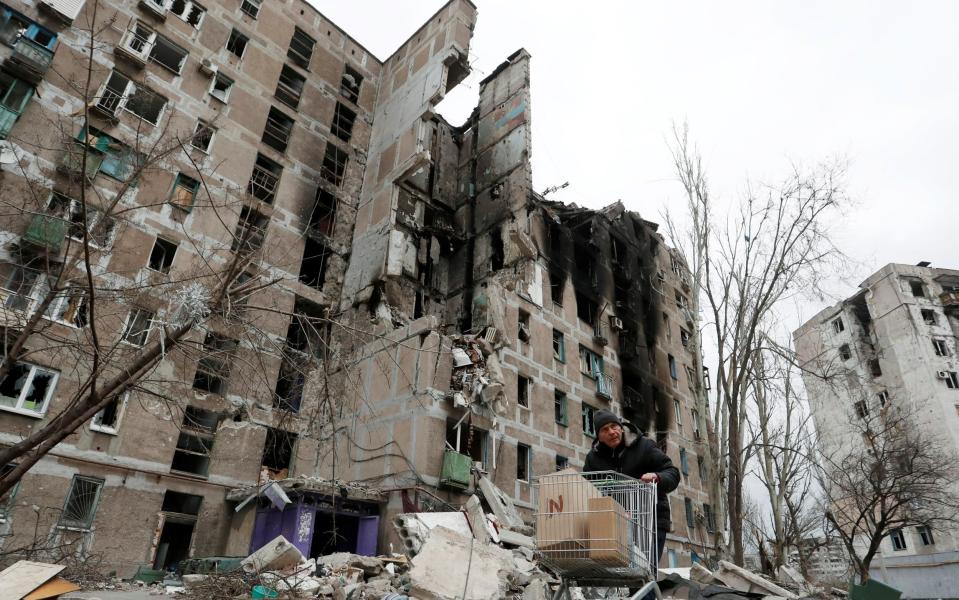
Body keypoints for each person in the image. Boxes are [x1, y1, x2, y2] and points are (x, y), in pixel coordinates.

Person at [583, 409, 679, 577]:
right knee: (621, 577)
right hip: (617, 524)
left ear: (621, 427)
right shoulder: (593, 458)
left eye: (614, 426)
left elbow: (672, 472)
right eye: (604, 430)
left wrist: (657, 477)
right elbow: (587, 488)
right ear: (599, 436)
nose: (611, 432)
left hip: (650, 521)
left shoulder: (644, 446)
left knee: (644, 573)